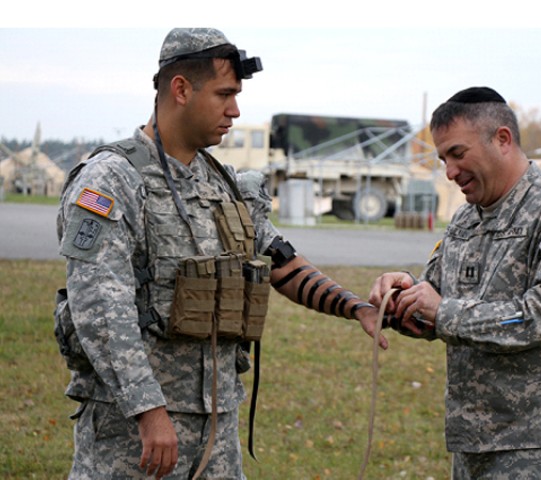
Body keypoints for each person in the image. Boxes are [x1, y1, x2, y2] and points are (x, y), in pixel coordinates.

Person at [56, 27, 385, 480]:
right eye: (225, 94)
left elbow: (279, 262)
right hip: (135, 432)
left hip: (217, 425)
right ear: (181, 90)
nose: (235, 110)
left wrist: (356, 307)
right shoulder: (111, 181)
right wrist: (148, 410)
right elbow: (99, 308)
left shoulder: (223, 184)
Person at [369, 86, 541, 479]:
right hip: (473, 444)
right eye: (443, 158)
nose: (449, 172)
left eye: (458, 154)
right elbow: (438, 299)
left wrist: (443, 312)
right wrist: (402, 295)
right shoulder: (467, 219)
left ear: (502, 139)